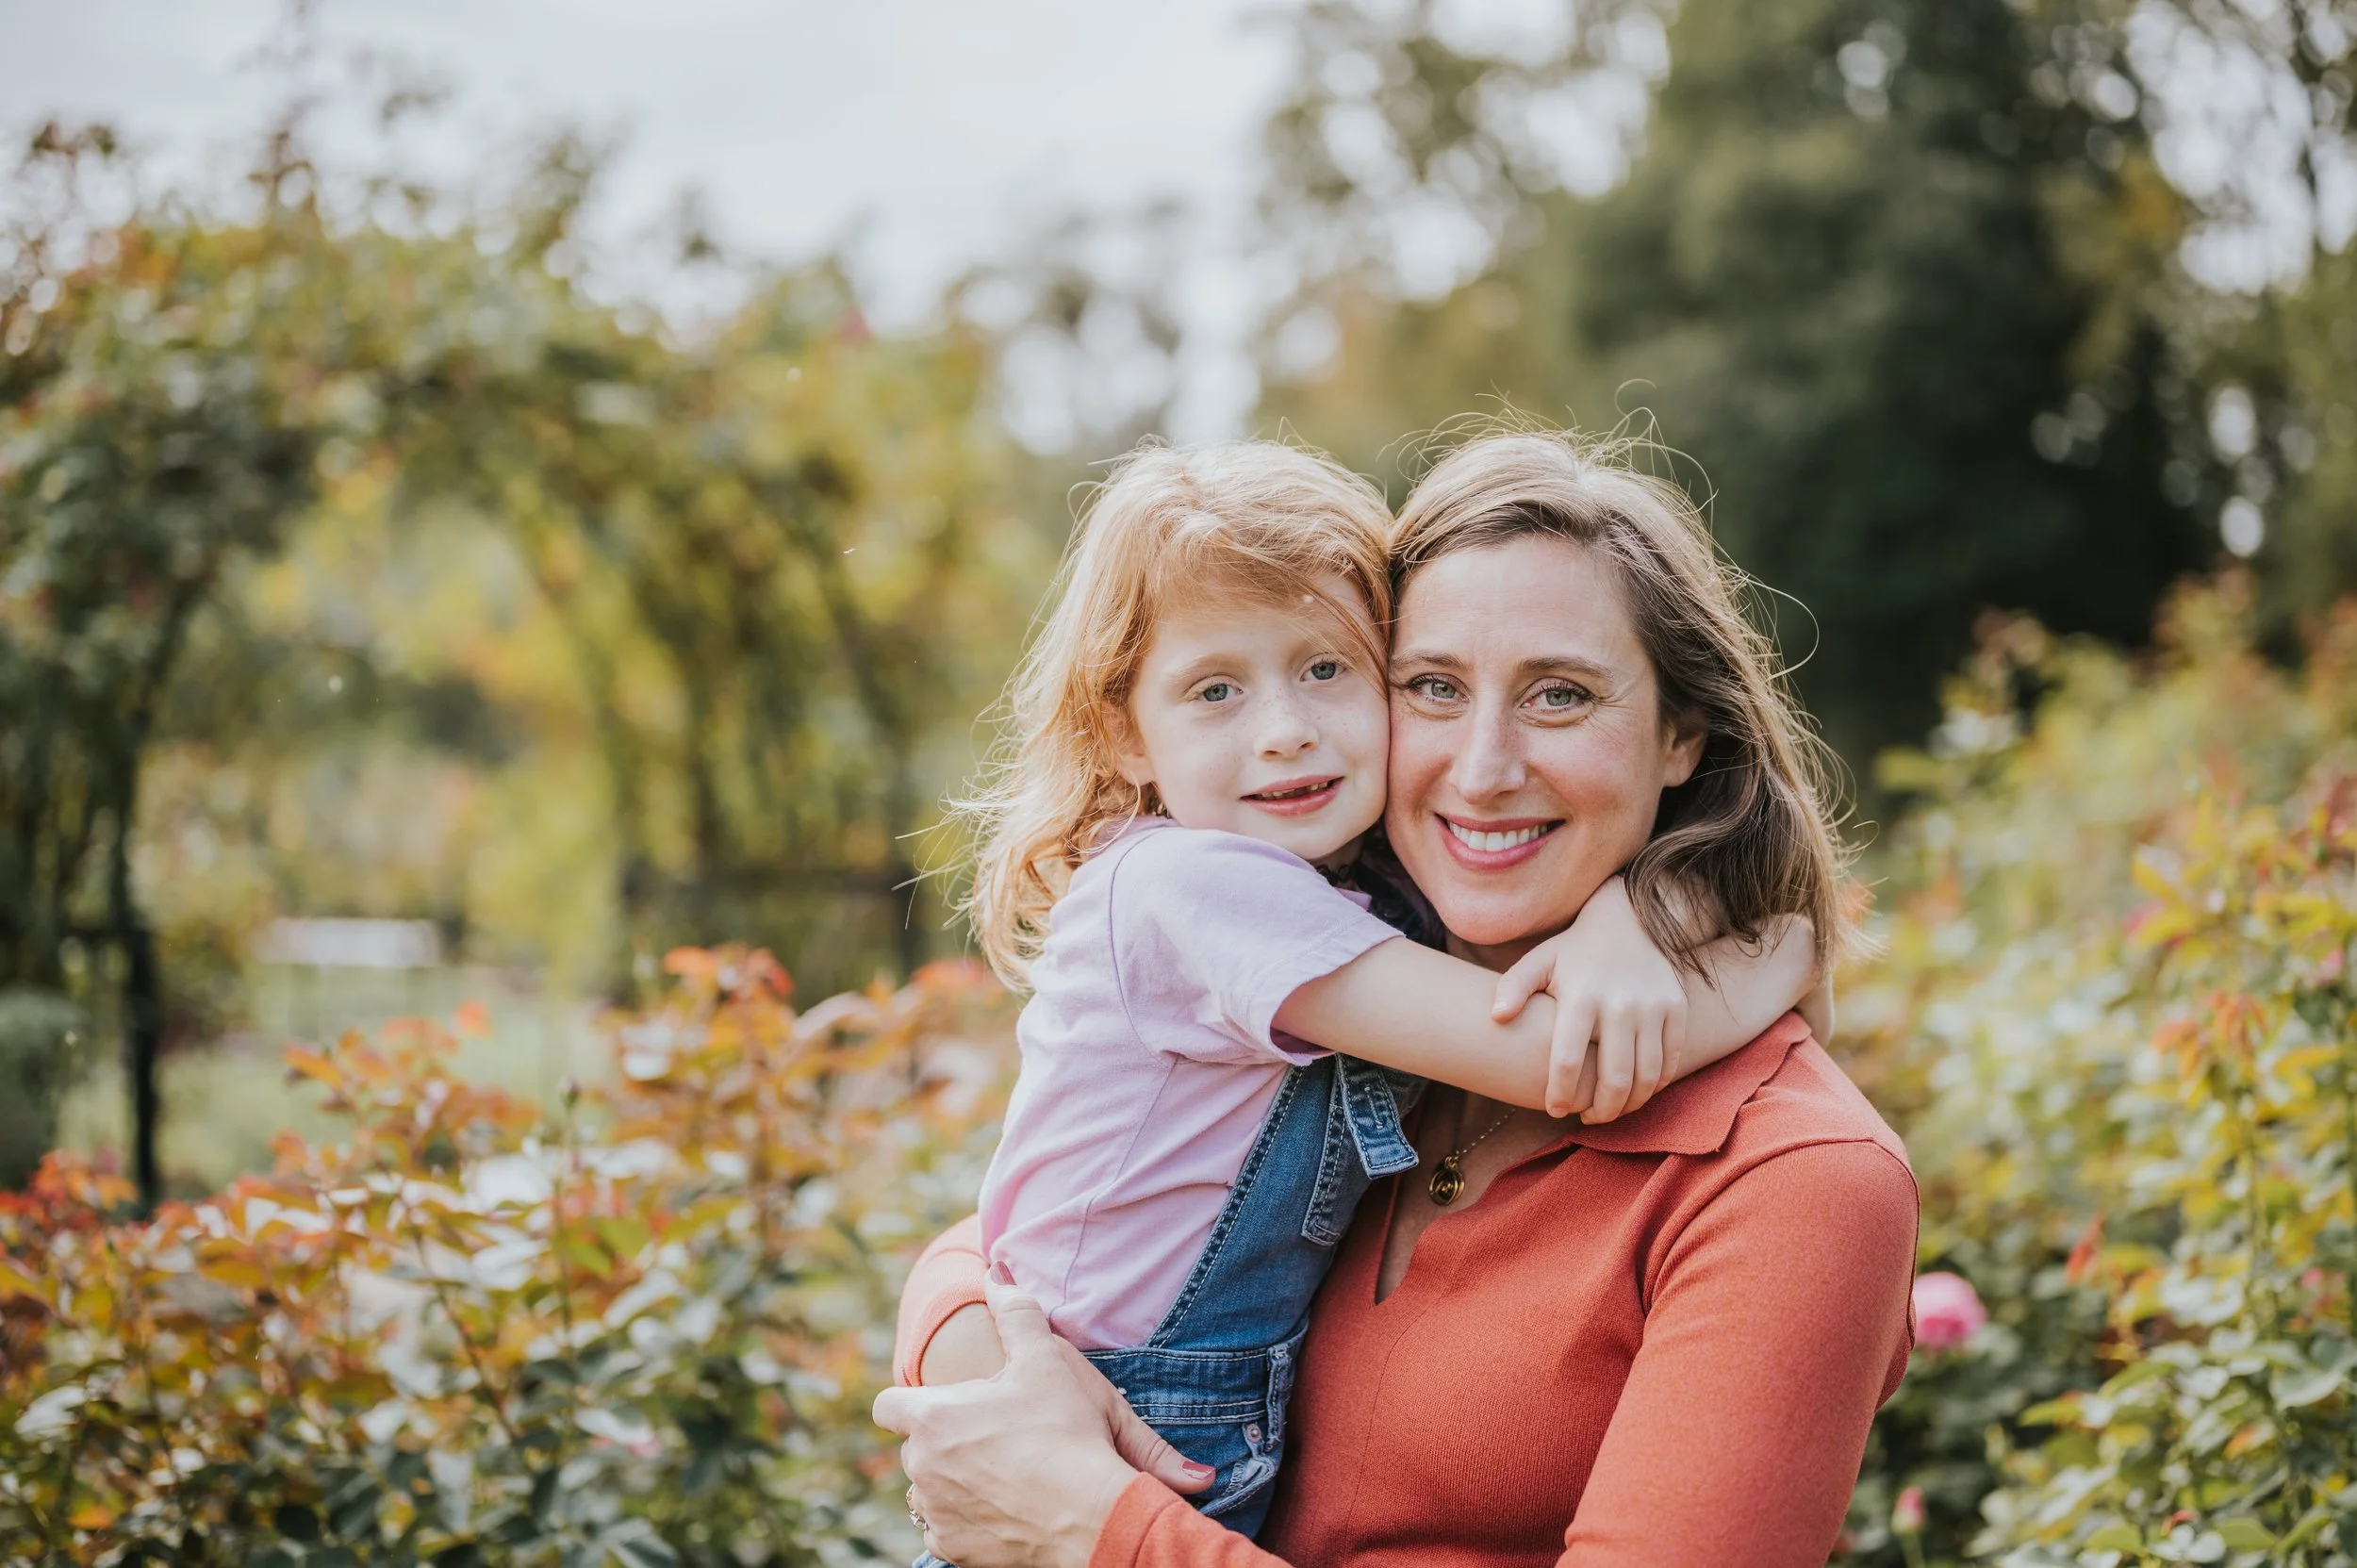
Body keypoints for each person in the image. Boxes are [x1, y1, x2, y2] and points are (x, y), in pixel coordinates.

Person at [877, 430, 1919, 1568]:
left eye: (1560, 695)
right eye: (1431, 686)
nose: (1481, 767)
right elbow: (1021, 1241)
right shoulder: (1347, 986)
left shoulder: (1795, 1180)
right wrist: (968, 1346)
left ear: (1684, 735)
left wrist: (1091, 1525)